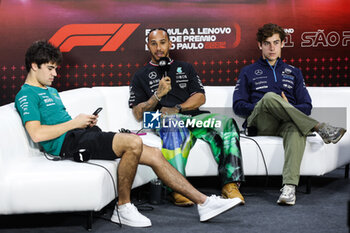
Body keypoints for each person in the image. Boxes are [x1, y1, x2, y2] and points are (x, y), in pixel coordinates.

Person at [15, 40, 243, 228]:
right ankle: (123, 207)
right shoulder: (26, 95)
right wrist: (74, 123)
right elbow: (36, 134)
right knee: (133, 142)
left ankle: (203, 203)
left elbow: (61, 122)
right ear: (34, 66)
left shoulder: (51, 91)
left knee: (154, 154)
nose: (55, 73)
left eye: (56, 68)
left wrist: (82, 122)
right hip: (68, 145)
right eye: (50, 68)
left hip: (80, 135)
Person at [232, 23, 346, 206]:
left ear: (283, 44)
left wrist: (287, 107)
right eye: (267, 43)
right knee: (269, 97)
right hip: (261, 122)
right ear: (259, 45)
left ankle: (289, 188)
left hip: (286, 123)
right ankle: (319, 127)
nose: (272, 48)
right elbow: (238, 106)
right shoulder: (248, 72)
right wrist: (264, 106)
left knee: (295, 128)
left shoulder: (294, 72)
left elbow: (306, 106)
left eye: (276, 43)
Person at [129, 28, 245, 207]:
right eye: (153, 43)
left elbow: (200, 96)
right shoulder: (140, 75)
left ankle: (230, 185)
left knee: (227, 123)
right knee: (172, 123)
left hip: (192, 117)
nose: (158, 48)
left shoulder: (186, 67)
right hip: (161, 120)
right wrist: (157, 96)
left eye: (162, 42)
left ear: (170, 44)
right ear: (148, 46)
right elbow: (138, 114)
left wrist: (177, 108)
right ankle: (177, 189)